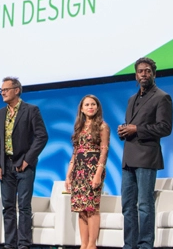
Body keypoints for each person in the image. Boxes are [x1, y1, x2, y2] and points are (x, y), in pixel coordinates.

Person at [117, 57, 173, 249]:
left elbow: (165, 127)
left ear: (154, 74)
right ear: (136, 75)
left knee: (144, 204)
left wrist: (137, 129)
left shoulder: (162, 97)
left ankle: (145, 245)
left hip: (147, 157)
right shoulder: (131, 99)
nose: (144, 74)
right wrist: (124, 130)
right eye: (140, 71)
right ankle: (129, 245)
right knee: (127, 205)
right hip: (128, 157)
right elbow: (132, 124)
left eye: (148, 71)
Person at [0, 77, 48, 249]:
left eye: (6, 90)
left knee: (23, 206)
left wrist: (27, 160)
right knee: (8, 207)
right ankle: (10, 244)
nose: (3, 93)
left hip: (24, 165)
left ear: (16, 90)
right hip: (5, 165)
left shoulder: (31, 110)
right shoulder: (0, 113)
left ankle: (23, 244)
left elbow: (42, 136)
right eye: (1, 90)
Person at [65, 95, 109, 249]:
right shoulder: (80, 127)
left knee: (91, 208)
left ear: (97, 107)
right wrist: (69, 175)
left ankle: (91, 245)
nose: (90, 107)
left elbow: (104, 151)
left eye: (93, 104)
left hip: (93, 169)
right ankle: (83, 245)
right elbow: (75, 153)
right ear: (82, 109)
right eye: (87, 105)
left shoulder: (102, 126)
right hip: (79, 171)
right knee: (81, 209)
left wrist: (98, 173)